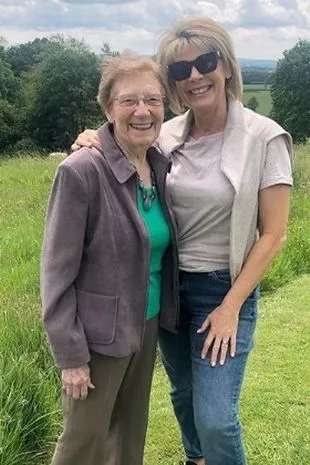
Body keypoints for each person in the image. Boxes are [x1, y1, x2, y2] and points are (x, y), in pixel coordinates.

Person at [71, 17, 293, 465]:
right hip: (168, 288)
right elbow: (121, 141)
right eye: (179, 70)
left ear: (226, 66)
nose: (193, 76)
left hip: (221, 290)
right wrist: (91, 137)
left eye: (205, 62)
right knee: (183, 395)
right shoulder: (166, 135)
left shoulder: (264, 137)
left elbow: (273, 233)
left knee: (215, 416)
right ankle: (196, 460)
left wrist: (230, 307)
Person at [40, 55, 179, 465]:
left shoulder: (159, 162)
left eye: (152, 100)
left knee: (130, 438)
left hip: (146, 323)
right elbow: (55, 273)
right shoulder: (81, 171)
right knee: (84, 444)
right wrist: (71, 356)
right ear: (107, 108)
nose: (142, 111)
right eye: (129, 100)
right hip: (96, 336)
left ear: (165, 107)